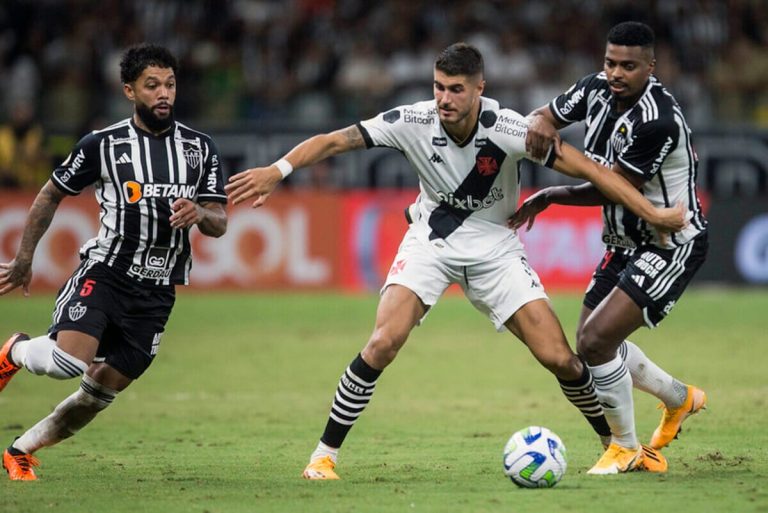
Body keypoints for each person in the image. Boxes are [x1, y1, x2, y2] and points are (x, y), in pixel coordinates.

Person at [226, 42, 683, 480]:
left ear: (479, 88)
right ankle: (323, 457)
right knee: (383, 342)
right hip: (431, 242)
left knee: (561, 359)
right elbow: (334, 141)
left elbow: (592, 171)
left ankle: (618, 445)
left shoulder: (508, 130)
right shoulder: (411, 119)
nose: (444, 99)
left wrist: (652, 213)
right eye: (439, 87)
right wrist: (278, 170)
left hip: (496, 248)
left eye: (456, 89)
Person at [0, 44, 227, 481]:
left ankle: (19, 450)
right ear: (129, 90)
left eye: (171, 84)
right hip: (106, 273)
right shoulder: (103, 145)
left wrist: (200, 214)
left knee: (97, 394)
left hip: (157, 292)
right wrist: (24, 258)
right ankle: (16, 349)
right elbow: (51, 193)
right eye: (152, 85)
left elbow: (219, 221)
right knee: (68, 363)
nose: (164, 93)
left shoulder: (201, 149)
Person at [511, 22, 708, 475]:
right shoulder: (594, 88)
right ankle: (680, 399)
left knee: (596, 341)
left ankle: (625, 447)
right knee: (593, 347)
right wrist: (541, 119)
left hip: (670, 243)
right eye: (610, 62)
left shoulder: (656, 119)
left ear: (650, 68)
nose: (615, 73)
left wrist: (551, 195)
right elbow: (545, 114)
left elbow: (616, 187)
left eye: (628, 66)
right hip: (623, 243)